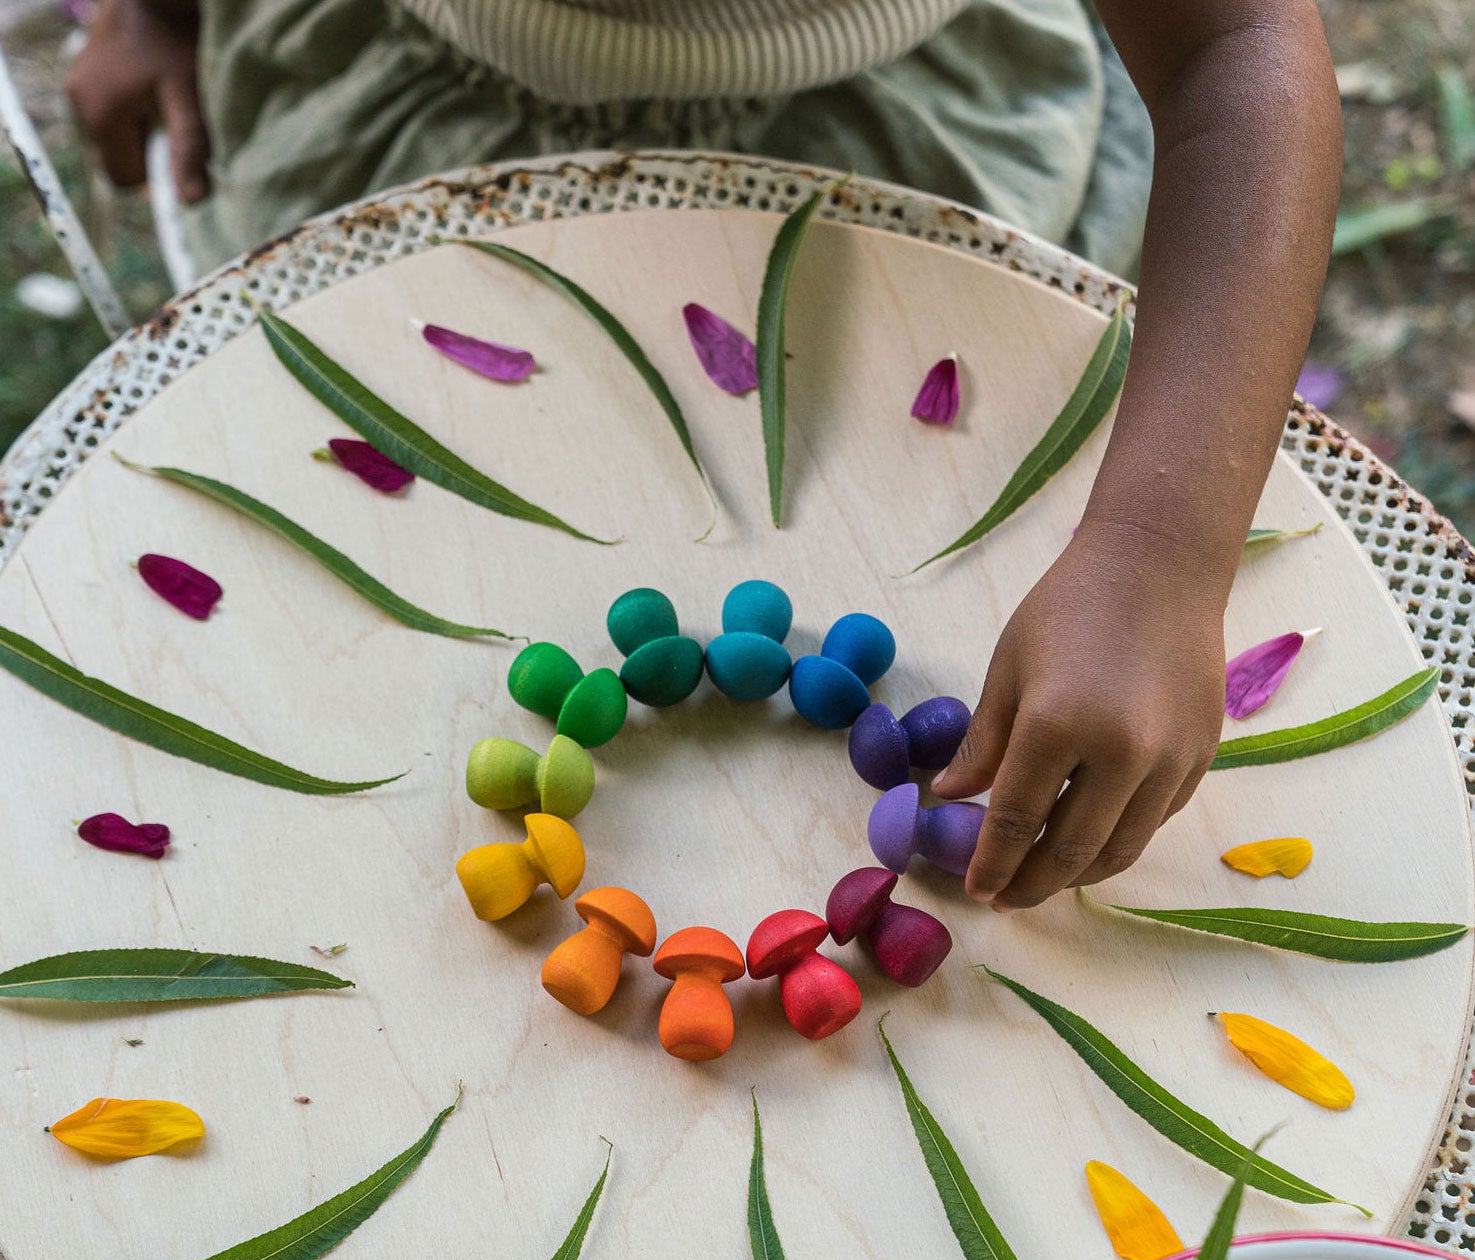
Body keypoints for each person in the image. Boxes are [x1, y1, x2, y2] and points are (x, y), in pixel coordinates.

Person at [67, 0, 1341, 912]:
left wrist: (1157, 554)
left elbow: (1235, 43)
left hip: (893, 133)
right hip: (406, 110)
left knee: (880, 469)